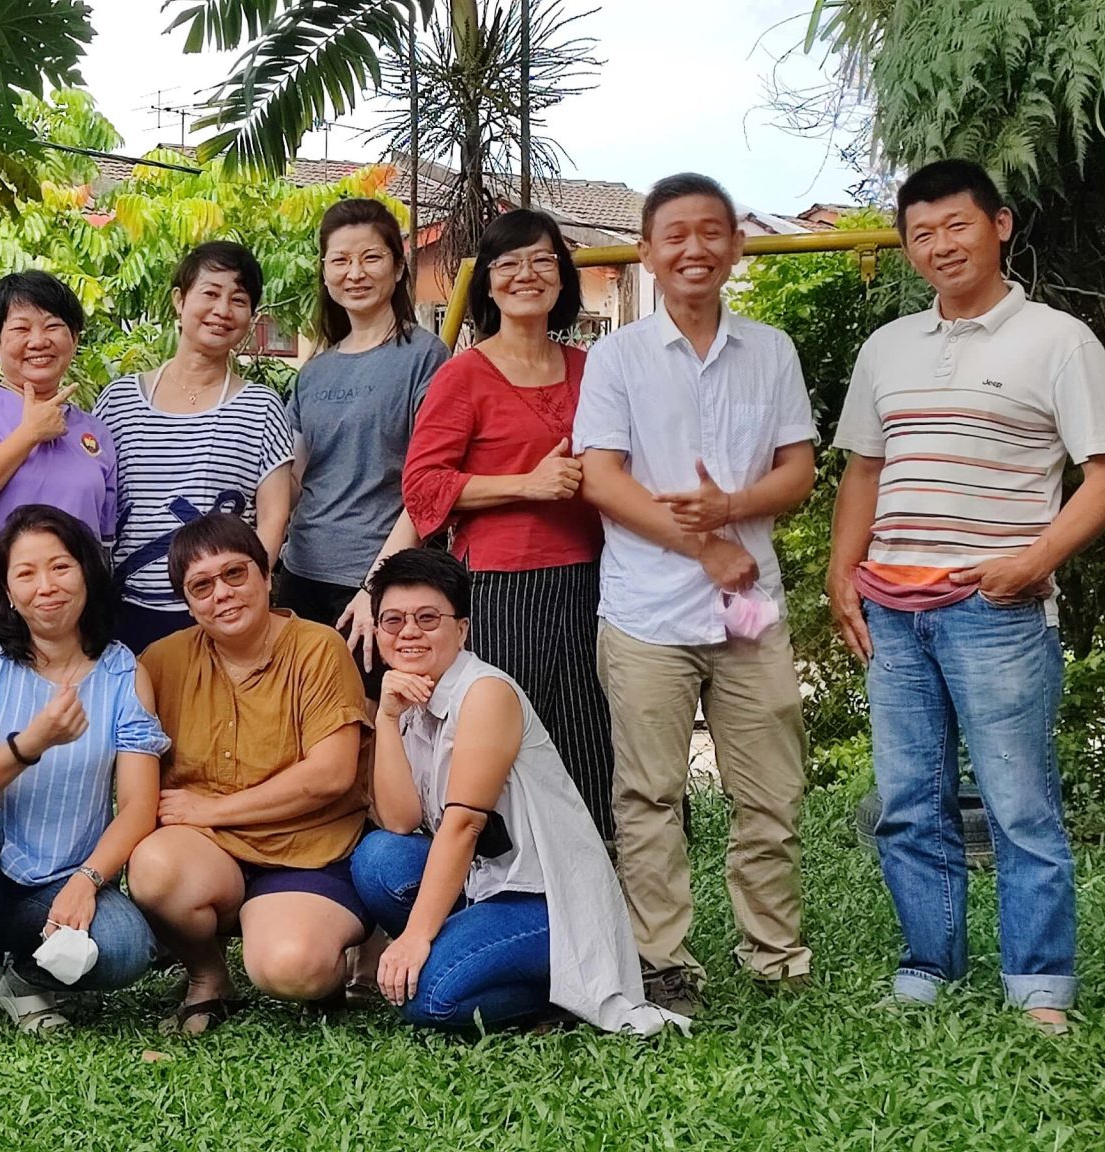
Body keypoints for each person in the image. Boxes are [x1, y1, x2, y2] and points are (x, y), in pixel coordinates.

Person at [828, 159, 1105, 1034]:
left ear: (999, 225)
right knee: (907, 806)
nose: (940, 246)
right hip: (892, 611)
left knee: (1019, 808)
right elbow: (864, 469)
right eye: (921, 233)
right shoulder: (889, 347)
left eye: (956, 225)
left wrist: (1032, 560)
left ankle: (1040, 984)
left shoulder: (1058, 340)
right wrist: (841, 573)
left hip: (995, 613)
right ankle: (929, 964)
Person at [572, 174, 819, 1018]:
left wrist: (732, 508)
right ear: (646, 251)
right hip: (647, 612)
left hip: (749, 612)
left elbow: (798, 471)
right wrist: (704, 546)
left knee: (772, 790)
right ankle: (662, 960)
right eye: (674, 235)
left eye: (711, 232)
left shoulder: (771, 350)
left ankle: (775, 953)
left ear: (736, 246)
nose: (694, 249)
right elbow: (602, 479)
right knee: (649, 795)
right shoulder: (617, 357)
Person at [349, 548, 684, 1036]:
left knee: (429, 996)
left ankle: (561, 992)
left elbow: (464, 824)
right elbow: (401, 821)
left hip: (545, 901)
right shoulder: (410, 699)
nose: (409, 632)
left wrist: (416, 936)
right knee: (378, 858)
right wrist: (386, 716)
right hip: (481, 887)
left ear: (462, 629)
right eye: (393, 620)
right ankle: (470, 952)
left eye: (428, 618)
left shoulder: (484, 693)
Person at [0, 505, 169, 1057]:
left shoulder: (124, 673)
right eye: (25, 573)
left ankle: (19, 979)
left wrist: (87, 880)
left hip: (56, 886)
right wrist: (32, 743)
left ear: (88, 572)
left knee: (126, 946)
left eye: (60, 567)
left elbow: (139, 806)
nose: (46, 586)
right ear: (7, 591)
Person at [403, 208, 616, 838]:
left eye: (543, 260)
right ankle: (505, 881)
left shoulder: (591, 368)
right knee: (507, 744)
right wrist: (527, 484)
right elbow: (423, 487)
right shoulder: (463, 375)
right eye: (509, 263)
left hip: (596, 581)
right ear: (489, 285)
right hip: (501, 588)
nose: (527, 274)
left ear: (563, 277)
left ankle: (596, 881)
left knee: (591, 741)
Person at [126, 513, 369, 1034]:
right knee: (154, 868)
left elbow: (331, 773)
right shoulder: (161, 662)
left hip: (308, 850)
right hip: (211, 852)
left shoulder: (317, 647)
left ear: (266, 574)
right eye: (201, 586)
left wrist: (214, 809)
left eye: (235, 573)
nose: (222, 594)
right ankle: (209, 977)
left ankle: (330, 953)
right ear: (187, 602)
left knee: (292, 969)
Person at [278, 199, 449, 690]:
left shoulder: (425, 356)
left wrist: (377, 588)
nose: (355, 273)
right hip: (300, 574)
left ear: (398, 267)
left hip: (377, 582)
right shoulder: (314, 371)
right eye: (340, 260)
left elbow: (428, 485)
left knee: (377, 720)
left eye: (371, 257)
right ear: (325, 271)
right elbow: (293, 482)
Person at [94, 242, 297, 653]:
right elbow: (94, 505)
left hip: (219, 614)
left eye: (238, 300)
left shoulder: (260, 407)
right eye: (210, 293)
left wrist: (241, 598)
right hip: (123, 608)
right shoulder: (118, 400)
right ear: (179, 300)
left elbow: (273, 517)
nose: (222, 310)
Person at [0, 271, 118, 688]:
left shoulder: (95, 434)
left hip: (72, 650)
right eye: (21, 329)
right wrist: (29, 433)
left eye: (53, 326)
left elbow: (100, 550)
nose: (38, 340)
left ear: (74, 339)